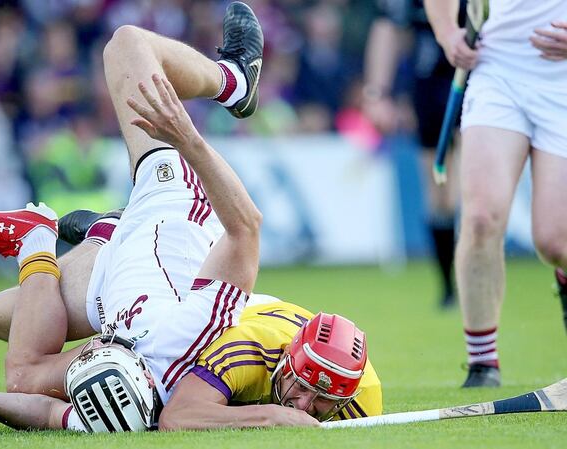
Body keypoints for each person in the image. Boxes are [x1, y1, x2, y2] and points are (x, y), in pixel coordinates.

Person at [0, 1, 274, 430]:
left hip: (110, 287)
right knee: (127, 43)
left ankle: (82, 235)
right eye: (99, 354)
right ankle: (235, 82)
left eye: (91, 357)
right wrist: (188, 140)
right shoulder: (183, 342)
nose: (93, 351)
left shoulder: (103, 387)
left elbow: (37, 399)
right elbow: (246, 228)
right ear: (144, 379)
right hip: (170, 211)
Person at [424, 0, 567, 387]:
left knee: (556, 241)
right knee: (481, 217)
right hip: (497, 68)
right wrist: (447, 33)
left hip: (563, 78)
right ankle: (483, 364)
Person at [362, 0, 465, 309]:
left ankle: (474, 280)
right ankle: (449, 287)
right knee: (441, 196)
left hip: (484, 80)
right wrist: (377, 93)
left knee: (475, 191)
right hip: (430, 87)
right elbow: (387, 26)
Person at [159, 295, 382, 430]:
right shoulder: (247, 348)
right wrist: (269, 415)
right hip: (242, 310)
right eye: (302, 386)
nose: (303, 406)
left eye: (324, 398)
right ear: (285, 361)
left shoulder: (364, 397)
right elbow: (176, 416)